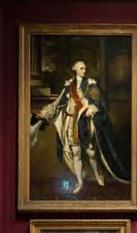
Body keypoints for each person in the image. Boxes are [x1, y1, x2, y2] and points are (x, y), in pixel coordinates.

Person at [33, 60, 130, 194]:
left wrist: (92, 107)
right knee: (76, 153)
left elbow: (99, 101)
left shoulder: (90, 84)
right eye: (81, 68)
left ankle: (97, 174)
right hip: (70, 123)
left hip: (84, 121)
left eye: (84, 68)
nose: (84, 70)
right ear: (75, 70)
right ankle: (80, 182)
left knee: (91, 153)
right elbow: (59, 102)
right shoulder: (69, 85)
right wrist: (46, 113)